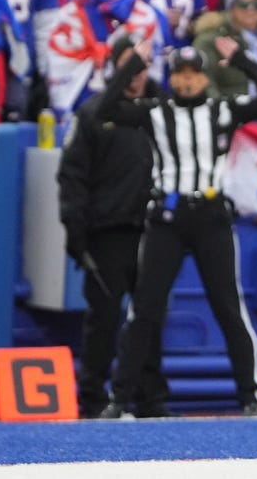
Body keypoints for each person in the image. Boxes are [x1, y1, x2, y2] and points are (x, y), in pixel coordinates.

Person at [98, 34, 257, 418]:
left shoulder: (223, 110)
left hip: (211, 218)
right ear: (170, 78)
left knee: (228, 308)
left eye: (193, 74)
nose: (186, 81)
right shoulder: (154, 112)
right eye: (179, 74)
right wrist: (133, 66)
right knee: (145, 310)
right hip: (166, 218)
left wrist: (244, 60)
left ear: (204, 78)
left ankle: (251, 398)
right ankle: (119, 400)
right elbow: (106, 108)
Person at [57, 35, 168, 419]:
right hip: (107, 232)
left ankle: (151, 398)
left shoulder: (160, 112)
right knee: (103, 319)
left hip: (152, 231)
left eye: (141, 66)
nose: (137, 75)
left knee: (150, 317)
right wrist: (74, 229)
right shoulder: (93, 113)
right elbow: (71, 175)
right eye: (128, 65)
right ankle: (92, 397)